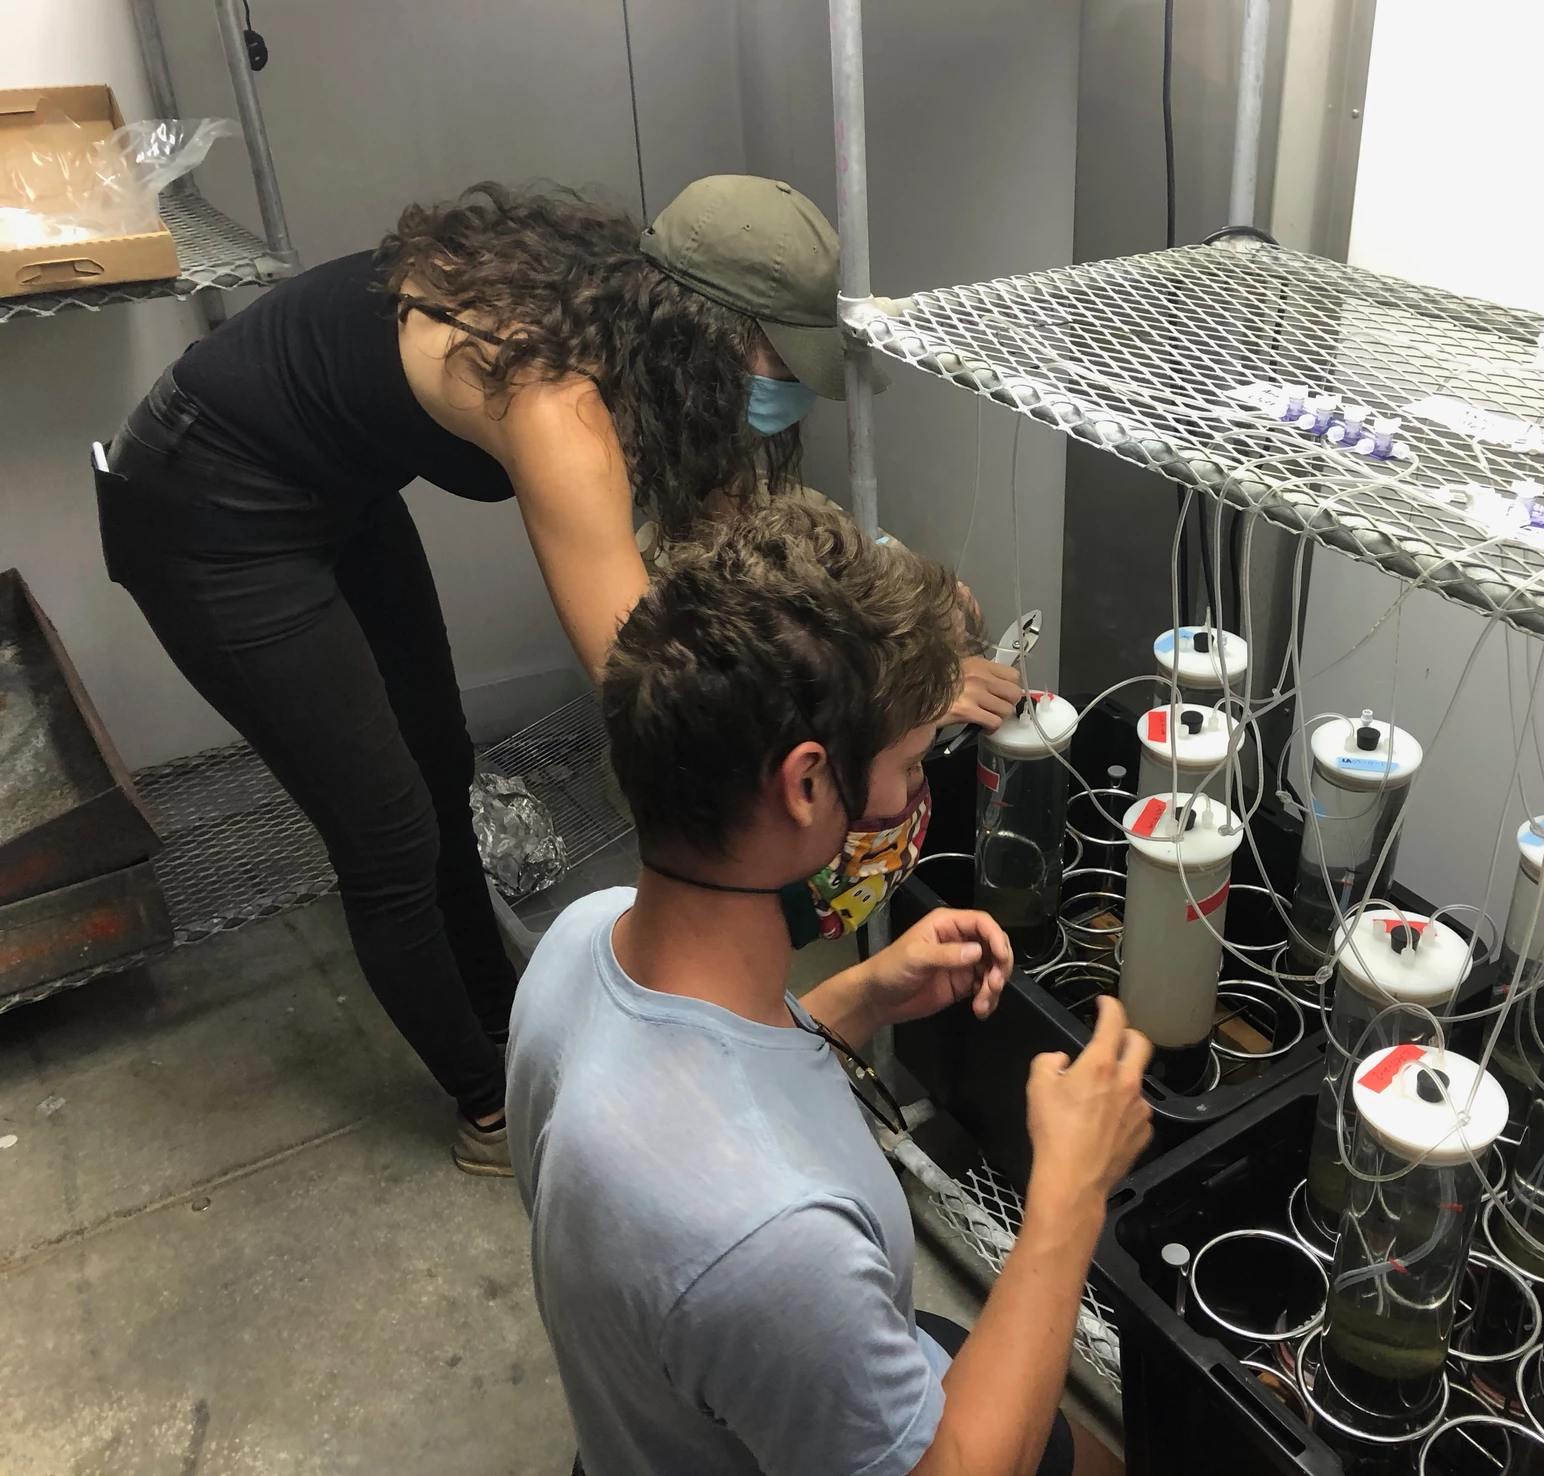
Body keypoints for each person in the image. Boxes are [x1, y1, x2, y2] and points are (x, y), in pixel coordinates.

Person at [93, 175, 1022, 1174]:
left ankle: (504, 1025)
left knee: (439, 761)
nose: (783, 388)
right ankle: (494, 1111)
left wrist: (894, 623)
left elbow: (735, 550)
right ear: (702, 325)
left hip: (332, 484)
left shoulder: (643, 341)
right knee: (390, 834)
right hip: (205, 501)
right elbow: (649, 674)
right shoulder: (557, 397)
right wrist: (889, 700)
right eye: (772, 359)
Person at [508, 498, 1152, 1476]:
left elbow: (694, 1090)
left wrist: (860, 1001)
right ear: (807, 786)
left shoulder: (579, 942)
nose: (907, 799)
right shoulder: (777, 1244)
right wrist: (1066, 1199)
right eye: (904, 764)